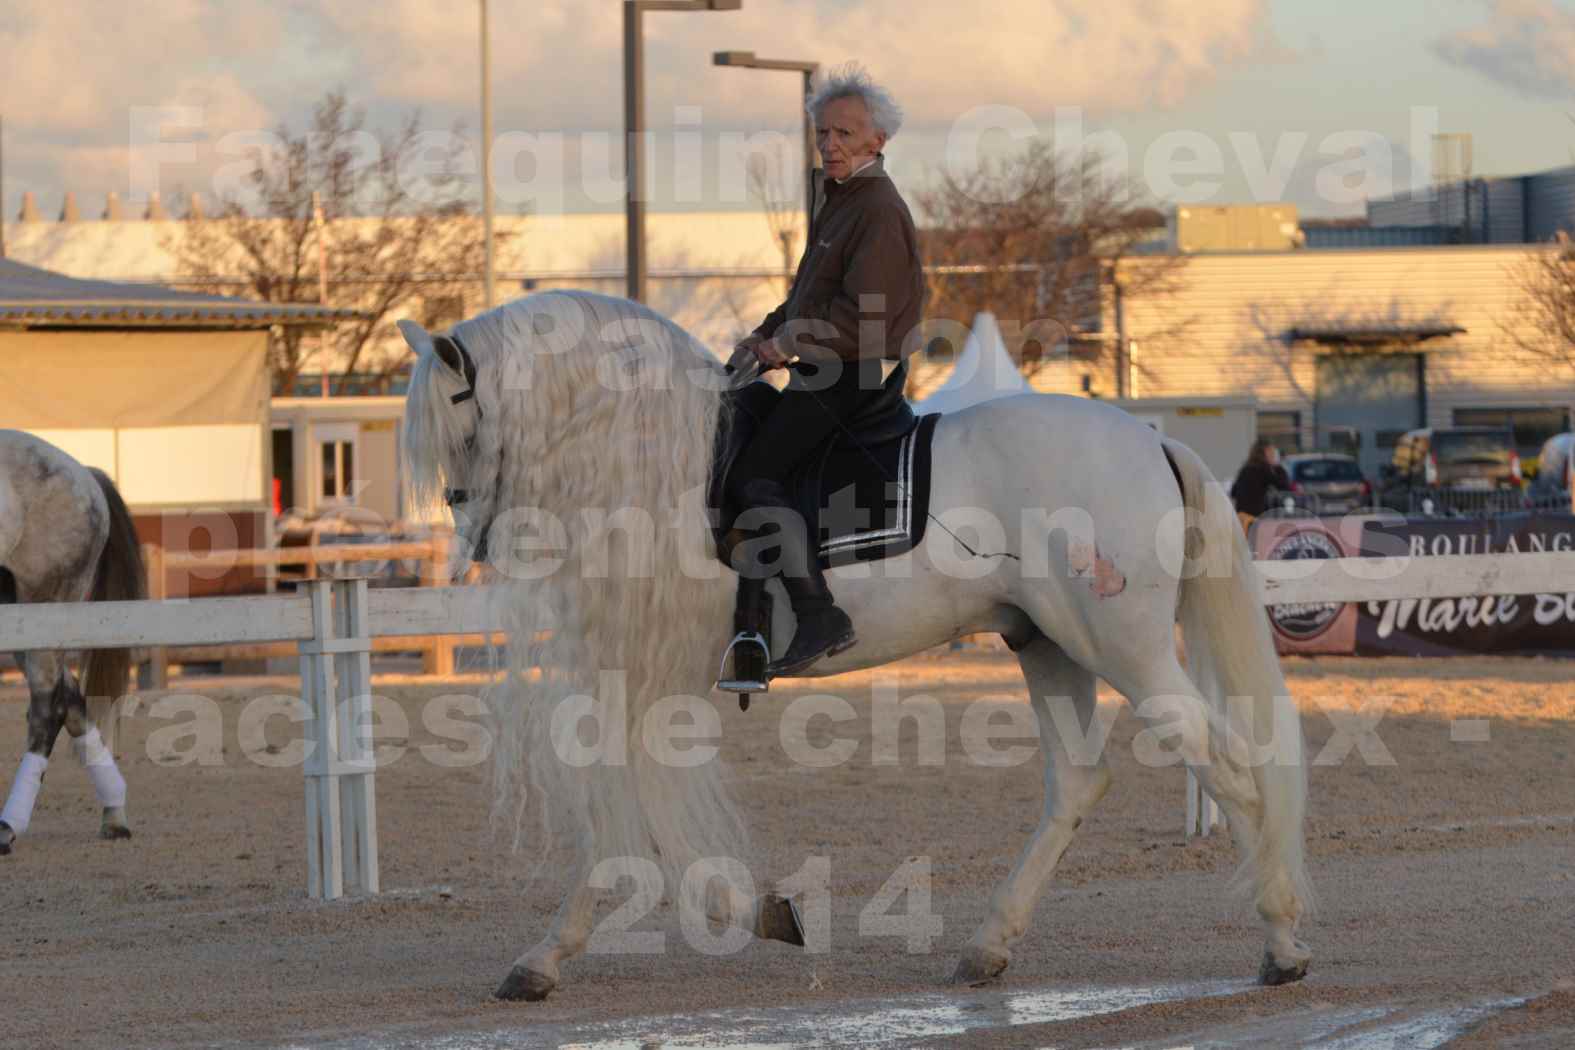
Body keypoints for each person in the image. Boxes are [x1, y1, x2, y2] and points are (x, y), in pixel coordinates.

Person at [725, 63, 927, 676]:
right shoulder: (838, 201)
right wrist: (764, 334)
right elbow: (809, 297)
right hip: (823, 367)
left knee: (753, 476)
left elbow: (861, 321)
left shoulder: (878, 208)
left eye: (844, 134)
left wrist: (787, 341)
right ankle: (750, 624)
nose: (830, 145)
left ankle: (819, 614)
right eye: (823, 135)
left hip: (852, 373)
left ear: (877, 141)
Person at [1230, 438, 1291, 528]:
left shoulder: (1246, 468)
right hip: (1254, 517)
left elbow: (1233, 492)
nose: (1273, 455)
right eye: (1272, 452)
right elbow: (1283, 486)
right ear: (1265, 452)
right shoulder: (1263, 469)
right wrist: (1277, 466)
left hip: (1241, 516)